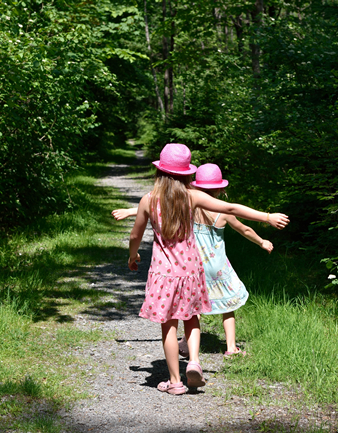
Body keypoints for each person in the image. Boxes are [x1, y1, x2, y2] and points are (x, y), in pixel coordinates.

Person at [123, 143, 289, 395]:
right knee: (191, 318)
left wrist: (133, 255)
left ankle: (175, 382)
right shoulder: (192, 197)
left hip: (163, 273)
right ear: (188, 174)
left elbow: (135, 234)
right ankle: (194, 362)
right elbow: (231, 208)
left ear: (160, 172)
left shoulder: (148, 200)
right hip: (191, 270)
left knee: (168, 325)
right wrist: (267, 217)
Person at [114, 163, 276, 359]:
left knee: (190, 309)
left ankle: (185, 345)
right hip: (216, 267)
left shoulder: (187, 204)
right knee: (229, 307)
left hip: (191, 265)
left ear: (196, 184)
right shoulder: (212, 208)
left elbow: (160, 204)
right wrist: (263, 236)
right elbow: (244, 228)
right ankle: (230, 347)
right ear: (220, 188)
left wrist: (131, 211)